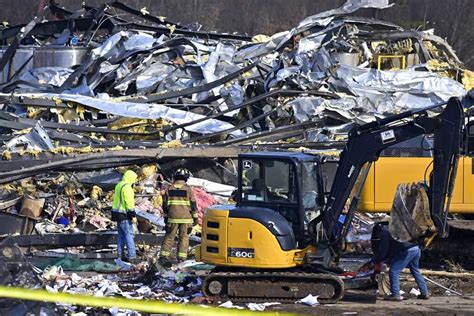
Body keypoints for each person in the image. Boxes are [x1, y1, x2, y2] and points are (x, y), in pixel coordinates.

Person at [370, 223, 430, 301]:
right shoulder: (393, 229)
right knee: (415, 270)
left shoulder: (384, 233)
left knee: (394, 271)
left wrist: (376, 261)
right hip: (416, 248)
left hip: (407, 251)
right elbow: (394, 246)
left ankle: (395, 294)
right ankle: (425, 293)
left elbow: (383, 250)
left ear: (377, 232)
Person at [159, 168, 198, 265]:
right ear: (185, 178)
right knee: (184, 238)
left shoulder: (169, 189)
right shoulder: (188, 190)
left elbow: (165, 205)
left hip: (172, 218)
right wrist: (195, 219)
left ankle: (164, 256)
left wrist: (166, 217)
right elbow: (193, 205)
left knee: (169, 237)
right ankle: (181, 258)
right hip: (186, 219)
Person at [111, 170, 138, 262]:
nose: (134, 182)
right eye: (134, 179)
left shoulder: (118, 185)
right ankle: (132, 256)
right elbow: (129, 202)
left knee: (121, 235)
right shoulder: (127, 188)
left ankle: (120, 255)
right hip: (125, 214)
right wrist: (132, 215)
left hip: (117, 214)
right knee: (129, 235)